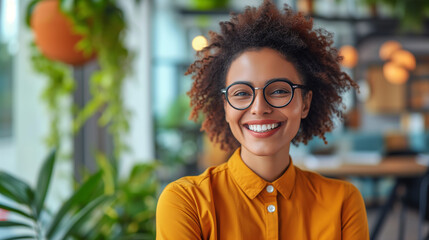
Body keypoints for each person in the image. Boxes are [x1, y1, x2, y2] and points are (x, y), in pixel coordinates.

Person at [156, 1, 369, 239]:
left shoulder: (343, 201)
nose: (259, 108)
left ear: (305, 103)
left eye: (278, 91)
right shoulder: (187, 202)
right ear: (226, 106)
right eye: (241, 93)